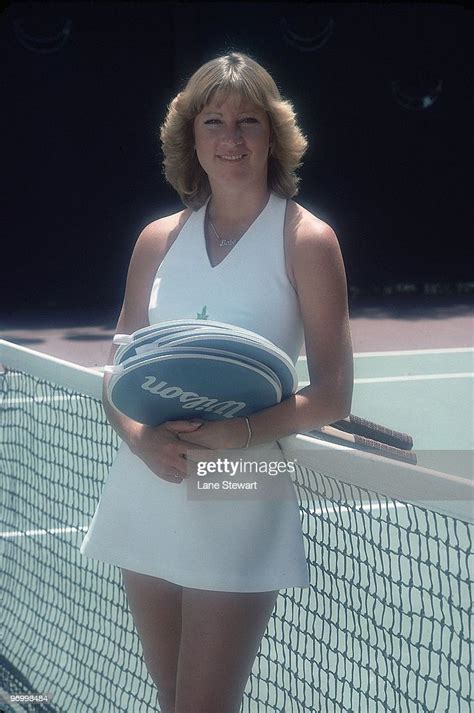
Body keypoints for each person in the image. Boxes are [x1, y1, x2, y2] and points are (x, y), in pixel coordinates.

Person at [80, 52, 353, 713]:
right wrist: (141, 436)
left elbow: (334, 393)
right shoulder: (156, 240)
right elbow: (117, 366)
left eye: (248, 121)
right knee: (172, 693)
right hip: (149, 479)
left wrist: (244, 432)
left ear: (274, 135)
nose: (231, 139)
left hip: (242, 485)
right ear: (190, 137)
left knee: (204, 703)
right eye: (214, 122)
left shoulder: (307, 240)